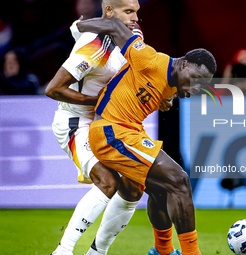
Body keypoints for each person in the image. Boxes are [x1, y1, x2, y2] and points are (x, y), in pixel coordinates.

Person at [76, 16, 216, 255]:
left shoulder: (173, 83)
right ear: (183, 65)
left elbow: (149, 87)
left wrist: (166, 97)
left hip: (127, 132)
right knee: (179, 180)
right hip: (111, 131)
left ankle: (163, 251)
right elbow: (114, 26)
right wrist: (78, 27)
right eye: (195, 81)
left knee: (161, 191)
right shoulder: (149, 59)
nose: (194, 90)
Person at [45, 1, 173, 255]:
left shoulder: (133, 36)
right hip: (77, 123)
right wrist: (101, 101)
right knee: (107, 181)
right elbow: (54, 89)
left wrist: (160, 94)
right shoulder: (93, 46)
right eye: (129, 12)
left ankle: (97, 252)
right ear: (109, 12)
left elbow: (141, 72)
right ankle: (63, 251)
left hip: (110, 124)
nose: (136, 18)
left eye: (137, 11)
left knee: (134, 186)